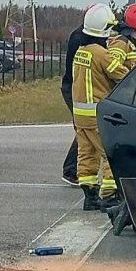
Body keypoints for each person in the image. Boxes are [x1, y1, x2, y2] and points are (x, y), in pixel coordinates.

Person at [72, 3, 130, 211]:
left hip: (80, 116)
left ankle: (90, 196)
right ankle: (108, 195)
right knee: (108, 154)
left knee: (86, 154)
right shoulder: (101, 54)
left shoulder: (81, 51)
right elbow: (122, 75)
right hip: (97, 113)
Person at [60, 23, 86, 186]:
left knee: (84, 130)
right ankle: (71, 170)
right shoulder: (80, 37)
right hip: (74, 87)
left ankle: (75, 169)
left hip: (75, 86)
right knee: (84, 130)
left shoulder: (81, 35)